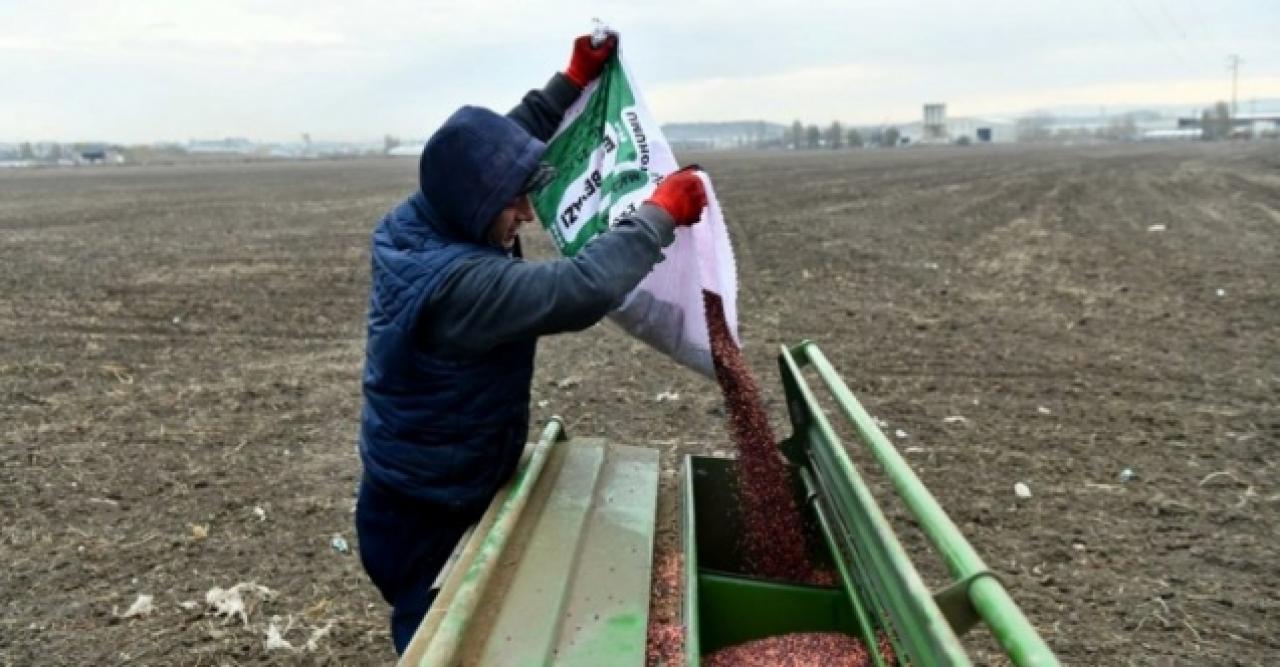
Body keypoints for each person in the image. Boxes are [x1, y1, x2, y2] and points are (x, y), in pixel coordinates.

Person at [355, 33, 709, 654]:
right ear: (475, 204)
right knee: (440, 643)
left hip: (436, 485)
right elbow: (579, 290)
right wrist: (659, 214)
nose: (527, 210)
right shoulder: (458, 286)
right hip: (424, 514)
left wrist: (570, 80)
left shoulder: (432, 211)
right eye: (513, 199)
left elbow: (495, 152)